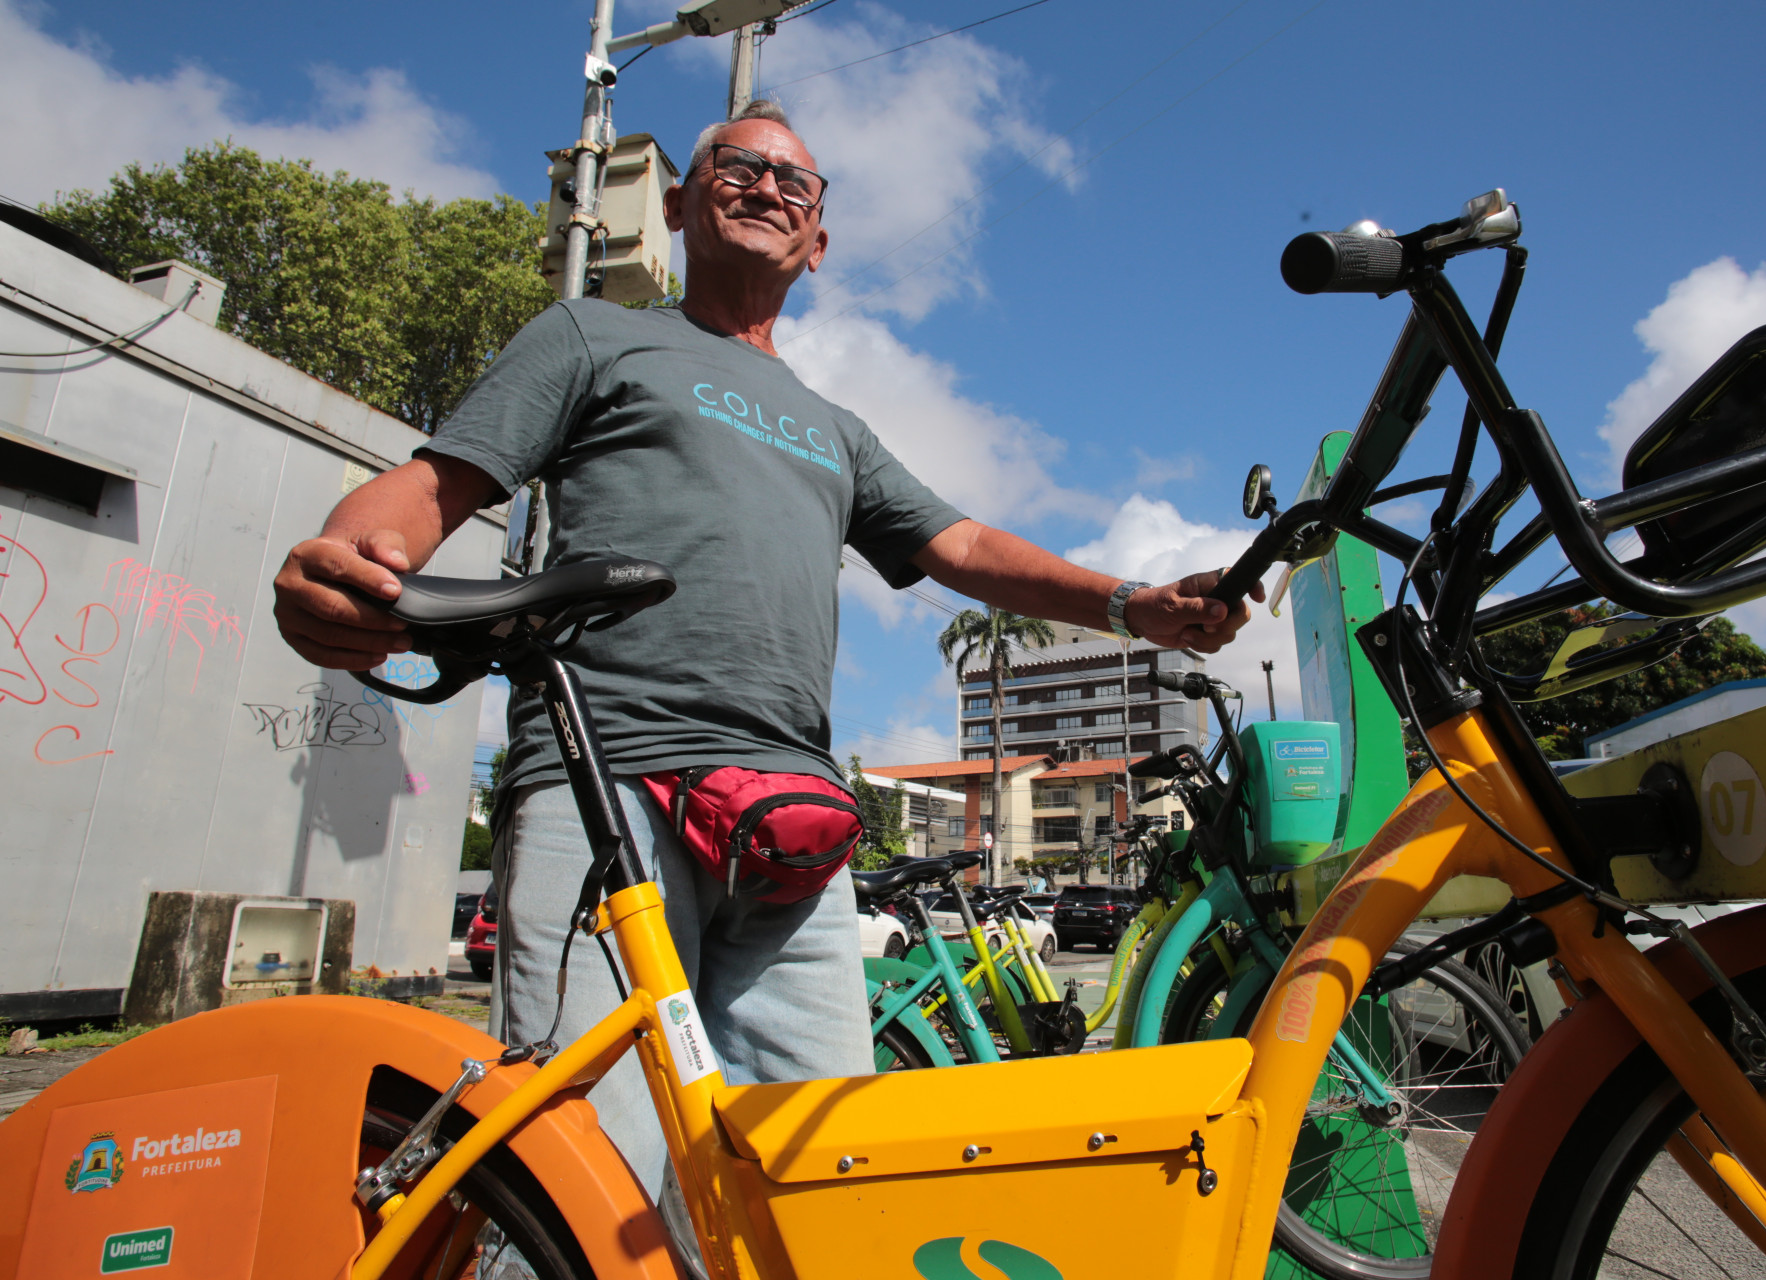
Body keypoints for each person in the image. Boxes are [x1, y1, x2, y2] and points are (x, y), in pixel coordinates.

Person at [272, 100, 1258, 1258]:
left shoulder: (836, 427)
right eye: (736, 166)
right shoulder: (593, 337)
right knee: (588, 1178)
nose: (767, 187)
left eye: (796, 181)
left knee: (823, 1166)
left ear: (819, 240)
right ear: (680, 205)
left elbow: (965, 546)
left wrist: (1132, 605)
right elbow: (432, 487)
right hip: (608, 784)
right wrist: (346, 561)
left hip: (793, 819)